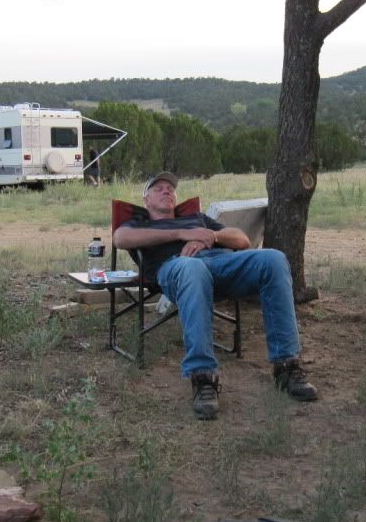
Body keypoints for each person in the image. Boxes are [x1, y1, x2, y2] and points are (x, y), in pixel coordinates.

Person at [113, 171, 318, 419]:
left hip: (221, 263)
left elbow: (241, 239)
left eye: (170, 188)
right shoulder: (140, 223)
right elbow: (120, 238)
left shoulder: (197, 218)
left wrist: (211, 236)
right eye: (159, 188)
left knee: (274, 259)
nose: (167, 190)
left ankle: (287, 365)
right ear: (146, 200)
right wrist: (182, 234)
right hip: (178, 267)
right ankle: (203, 376)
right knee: (193, 268)